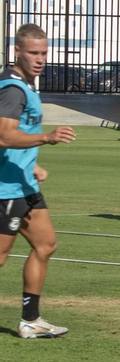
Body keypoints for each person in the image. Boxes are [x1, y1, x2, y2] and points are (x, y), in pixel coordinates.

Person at [0, 24, 76, 338]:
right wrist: (46, 137)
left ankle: (30, 320)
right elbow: (4, 134)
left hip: (24, 185)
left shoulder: (28, 86)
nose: (40, 58)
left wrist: (33, 165)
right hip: (6, 190)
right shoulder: (13, 88)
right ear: (17, 51)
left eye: (44, 52)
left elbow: (18, 138)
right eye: (33, 52)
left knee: (45, 245)